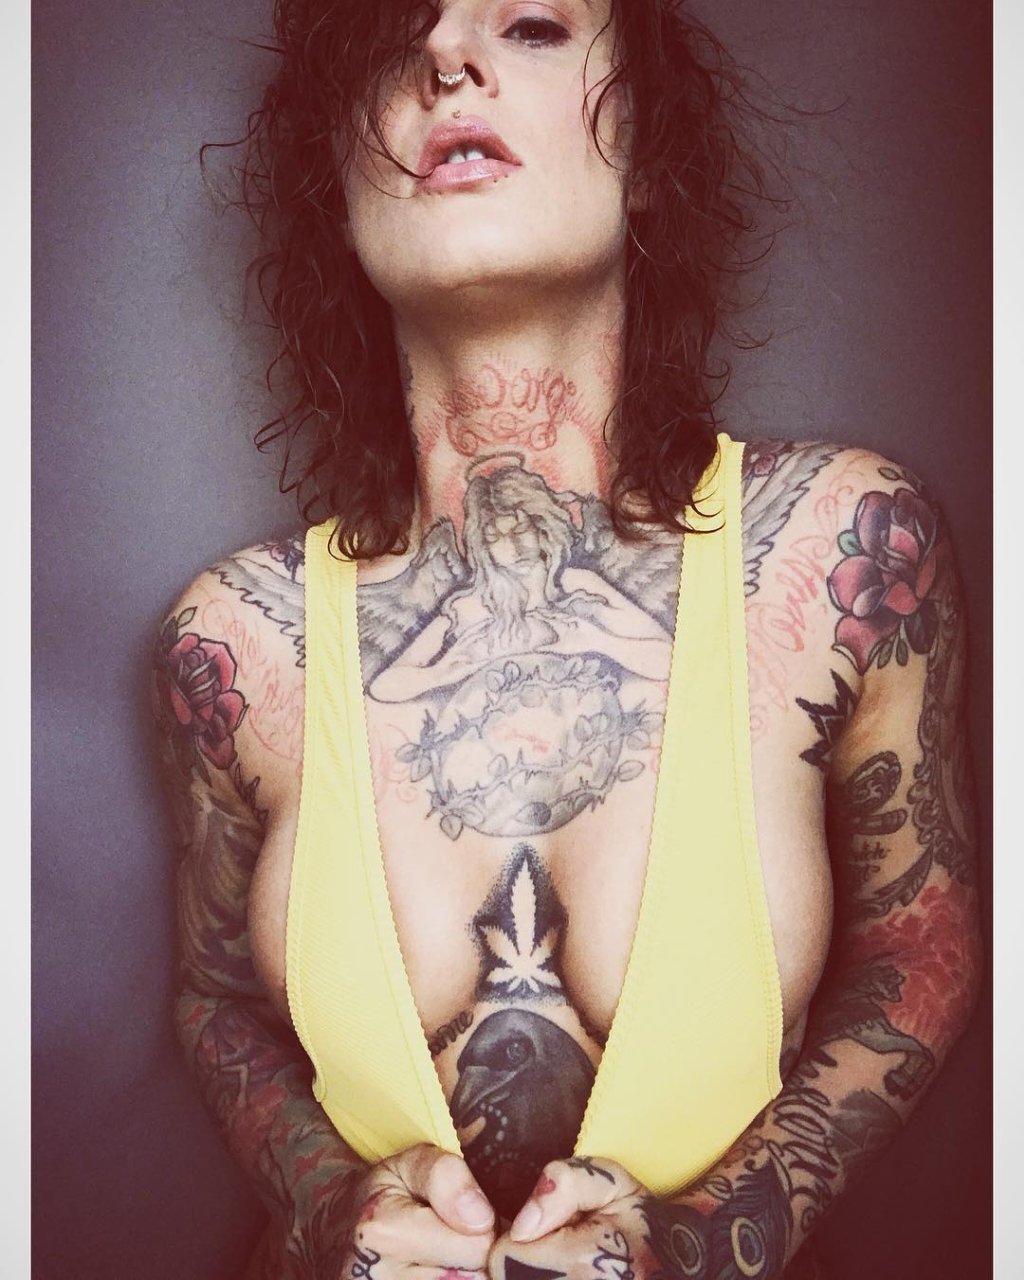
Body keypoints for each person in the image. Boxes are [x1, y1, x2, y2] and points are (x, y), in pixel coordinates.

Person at [150, 2, 983, 1277]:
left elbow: (918, 948)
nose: (446, 57)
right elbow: (215, 1002)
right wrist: (323, 1206)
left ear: (649, 152)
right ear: (340, 180)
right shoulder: (236, 643)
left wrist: (708, 1237)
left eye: (533, 24)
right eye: (395, 40)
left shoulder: (836, 552)